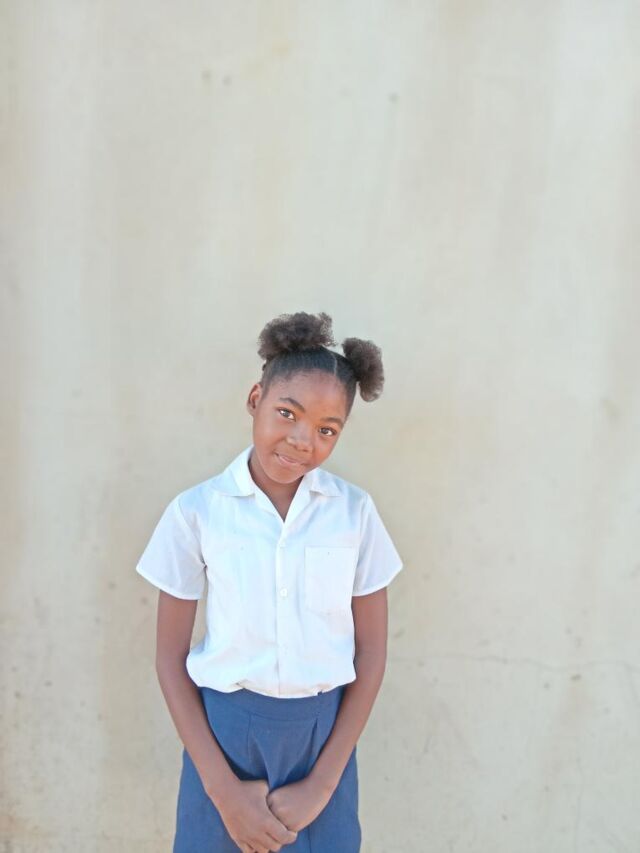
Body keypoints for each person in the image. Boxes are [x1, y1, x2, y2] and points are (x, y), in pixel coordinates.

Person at [135, 310, 404, 852]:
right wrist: (224, 792)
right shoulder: (196, 513)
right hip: (223, 744)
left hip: (322, 746)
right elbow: (169, 658)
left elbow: (372, 653)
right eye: (287, 412)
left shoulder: (354, 514)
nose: (303, 440)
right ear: (255, 399)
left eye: (327, 430)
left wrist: (322, 784)